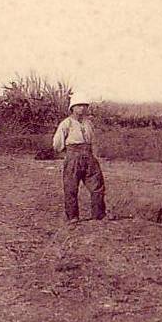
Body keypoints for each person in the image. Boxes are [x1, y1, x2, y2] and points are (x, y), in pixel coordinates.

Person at [52, 93, 106, 224]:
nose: (82, 108)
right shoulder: (66, 123)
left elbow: (94, 141)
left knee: (97, 185)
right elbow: (57, 143)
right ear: (72, 108)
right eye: (79, 106)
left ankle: (98, 215)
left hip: (89, 156)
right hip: (73, 157)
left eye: (84, 106)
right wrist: (68, 153)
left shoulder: (88, 124)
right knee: (71, 187)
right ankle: (72, 216)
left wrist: (94, 155)